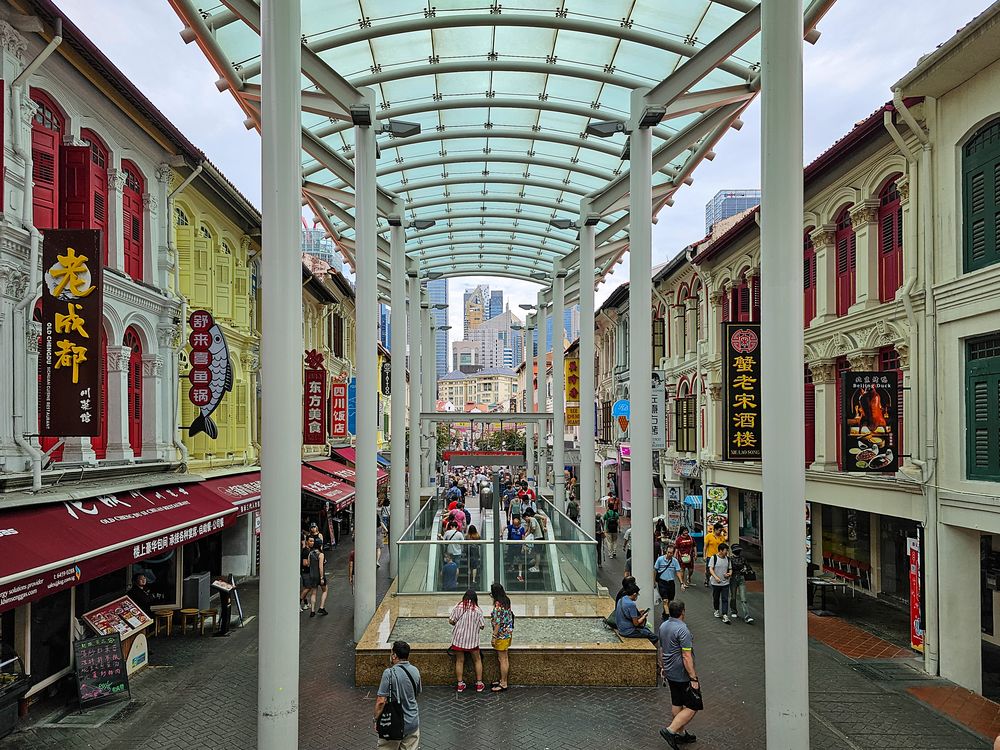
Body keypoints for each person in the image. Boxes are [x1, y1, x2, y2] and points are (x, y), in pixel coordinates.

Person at [657, 601, 701, 749]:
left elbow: (662, 649)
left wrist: (663, 667)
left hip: (669, 671)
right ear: (683, 612)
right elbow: (686, 656)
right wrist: (693, 677)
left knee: (677, 702)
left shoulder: (663, 626)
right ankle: (671, 730)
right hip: (681, 673)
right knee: (693, 704)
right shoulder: (683, 630)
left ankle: (681, 734)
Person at [374, 640, 422, 749]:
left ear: (394, 655)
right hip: (413, 723)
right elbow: (416, 693)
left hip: (393, 725)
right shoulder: (415, 670)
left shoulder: (389, 673)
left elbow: (381, 701)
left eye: (391, 653)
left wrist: (376, 719)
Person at [449, 589, 486, 692]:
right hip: (472, 641)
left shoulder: (458, 607)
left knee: (459, 661)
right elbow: (482, 626)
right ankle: (479, 684)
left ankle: (460, 684)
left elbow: (451, 620)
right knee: (477, 660)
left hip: (459, 640)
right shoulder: (477, 610)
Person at [489, 583, 514, 692]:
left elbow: (498, 623)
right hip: (508, 633)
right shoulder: (507, 601)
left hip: (501, 635)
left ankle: (504, 683)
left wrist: (494, 636)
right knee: (505, 658)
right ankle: (502, 680)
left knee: (502, 659)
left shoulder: (498, 605)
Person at [728, 545, 755, 623]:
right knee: (733, 597)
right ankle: (733, 610)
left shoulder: (742, 558)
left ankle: (747, 616)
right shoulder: (730, 559)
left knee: (743, 598)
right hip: (733, 578)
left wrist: (746, 569)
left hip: (741, 578)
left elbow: (749, 567)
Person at [653, 545, 682, 617]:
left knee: (670, 601)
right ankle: (668, 617)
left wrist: (681, 582)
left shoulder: (675, 561)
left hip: (671, 583)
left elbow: (678, 571)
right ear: (666, 551)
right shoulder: (660, 559)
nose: (669, 554)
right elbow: (655, 570)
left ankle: (665, 613)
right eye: (668, 552)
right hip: (662, 583)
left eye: (671, 553)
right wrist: (653, 581)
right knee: (665, 600)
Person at [708, 543, 733, 624]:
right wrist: (716, 577)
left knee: (725, 599)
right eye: (726, 550)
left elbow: (730, 569)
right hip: (715, 583)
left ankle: (725, 614)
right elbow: (711, 569)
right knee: (716, 598)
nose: (727, 552)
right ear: (721, 550)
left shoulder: (728, 559)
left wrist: (729, 574)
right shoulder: (714, 558)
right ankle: (716, 610)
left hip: (725, 583)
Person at [505, 515, 527, 582]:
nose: (516, 526)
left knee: (519, 560)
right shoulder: (511, 527)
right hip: (512, 546)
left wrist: (524, 545)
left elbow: (523, 537)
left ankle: (520, 574)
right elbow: (504, 527)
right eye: (515, 525)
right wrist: (501, 532)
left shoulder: (521, 529)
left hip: (518, 546)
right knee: (510, 557)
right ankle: (511, 566)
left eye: (517, 525)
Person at [300, 536, 319, 612]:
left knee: (306, 588)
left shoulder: (309, 550)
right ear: (307, 541)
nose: (312, 543)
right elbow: (305, 563)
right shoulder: (306, 552)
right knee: (308, 588)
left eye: (313, 541)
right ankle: (298, 603)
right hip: (306, 572)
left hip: (307, 572)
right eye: (310, 541)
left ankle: (306, 603)